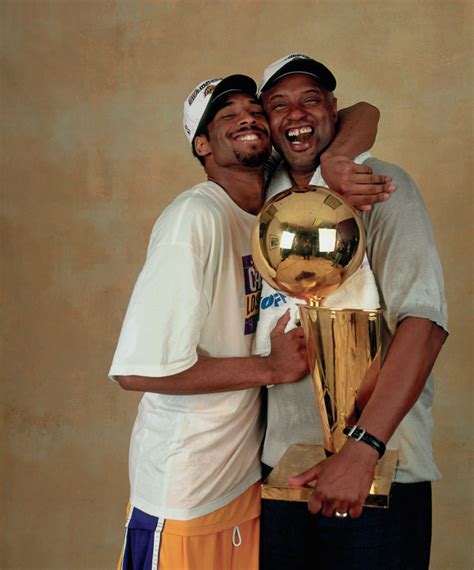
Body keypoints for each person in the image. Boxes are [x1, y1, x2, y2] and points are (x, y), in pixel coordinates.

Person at [109, 72, 382, 570]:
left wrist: (336, 160)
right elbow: (136, 370)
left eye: (254, 112)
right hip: (183, 494)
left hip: (245, 488)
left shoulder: (266, 205)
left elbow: (363, 112)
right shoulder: (194, 219)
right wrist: (270, 371)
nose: (248, 120)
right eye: (227, 117)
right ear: (202, 145)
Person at [255, 53, 448, 570]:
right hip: (278, 476)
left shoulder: (381, 187)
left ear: (333, 112)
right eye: (279, 105)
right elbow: (367, 111)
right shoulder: (266, 192)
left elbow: (424, 325)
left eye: (311, 100)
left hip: (377, 476)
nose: (296, 114)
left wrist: (365, 448)